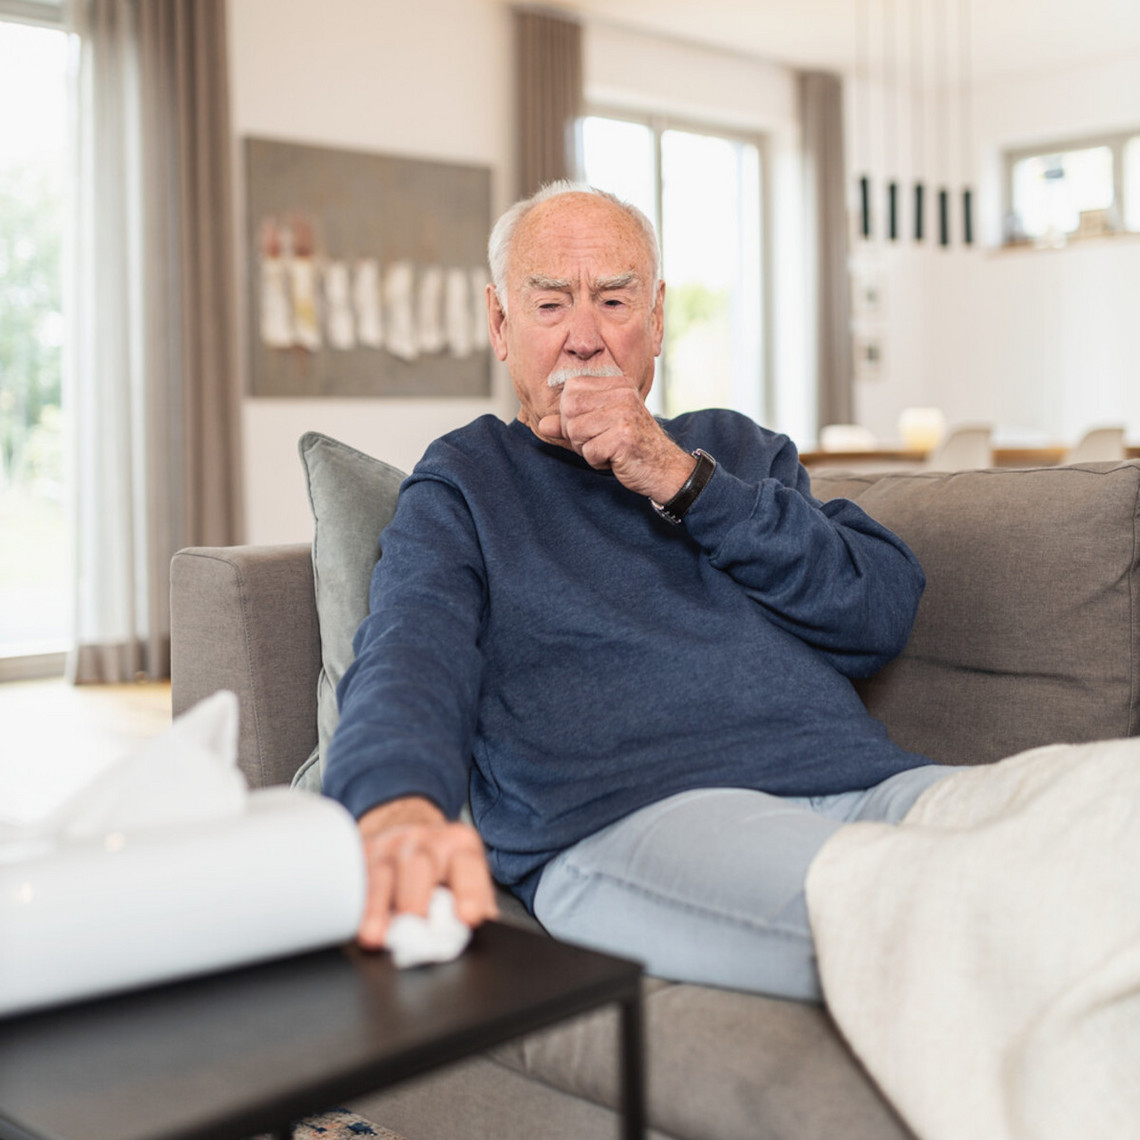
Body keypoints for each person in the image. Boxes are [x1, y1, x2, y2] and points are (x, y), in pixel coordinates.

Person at [325, 182, 957, 1002]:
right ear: (500, 325)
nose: (585, 339)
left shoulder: (734, 450)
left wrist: (679, 479)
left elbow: (877, 612)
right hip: (635, 816)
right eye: (550, 305)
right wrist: (397, 804)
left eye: (614, 299)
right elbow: (413, 646)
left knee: (1095, 827)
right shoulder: (469, 479)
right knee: (945, 910)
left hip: (866, 784)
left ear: (655, 319)